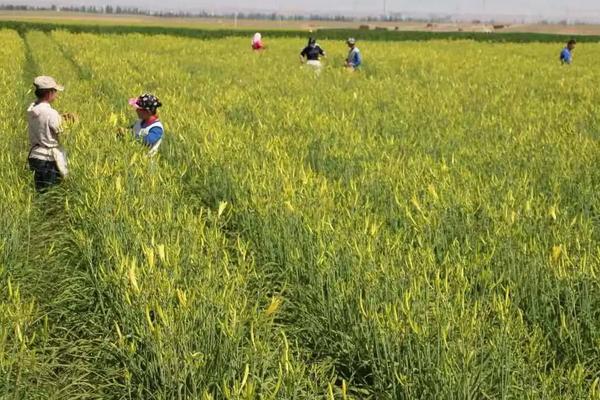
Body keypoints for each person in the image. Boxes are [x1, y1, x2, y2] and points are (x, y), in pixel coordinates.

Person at [27, 76, 74, 192]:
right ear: (49, 94)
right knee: (51, 191)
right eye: (55, 91)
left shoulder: (32, 110)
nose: (56, 94)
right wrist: (70, 122)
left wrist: (60, 117)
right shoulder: (51, 113)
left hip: (35, 156)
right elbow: (63, 131)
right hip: (48, 159)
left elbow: (43, 122)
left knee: (40, 191)